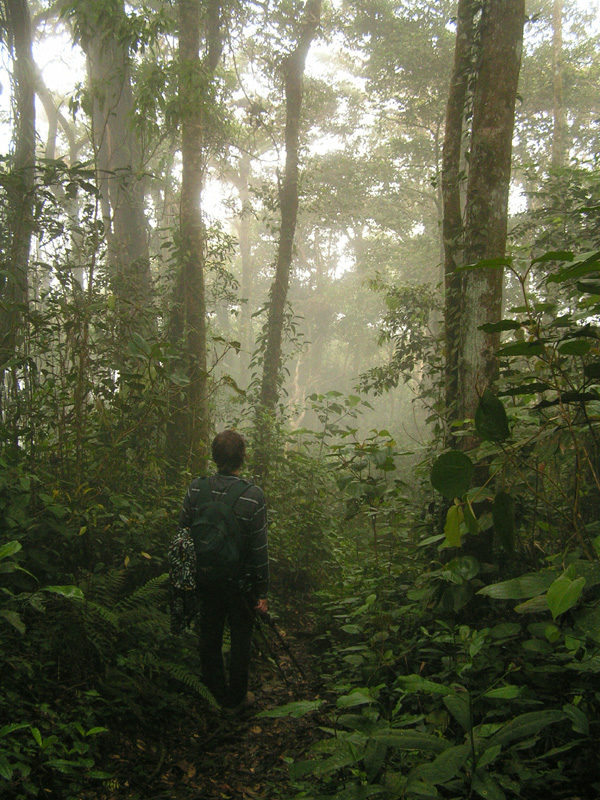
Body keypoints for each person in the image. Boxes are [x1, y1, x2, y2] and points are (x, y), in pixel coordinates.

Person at [178, 430, 269, 711]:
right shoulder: (254, 495)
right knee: (241, 638)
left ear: (215, 457)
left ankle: (214, 695)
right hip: (240, 583)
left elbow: (183, 532)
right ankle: (237, 698)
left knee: (210, 636)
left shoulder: (196, 488)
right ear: (243, 456)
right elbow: (258, 549)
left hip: (206, 577)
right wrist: (262, 591)